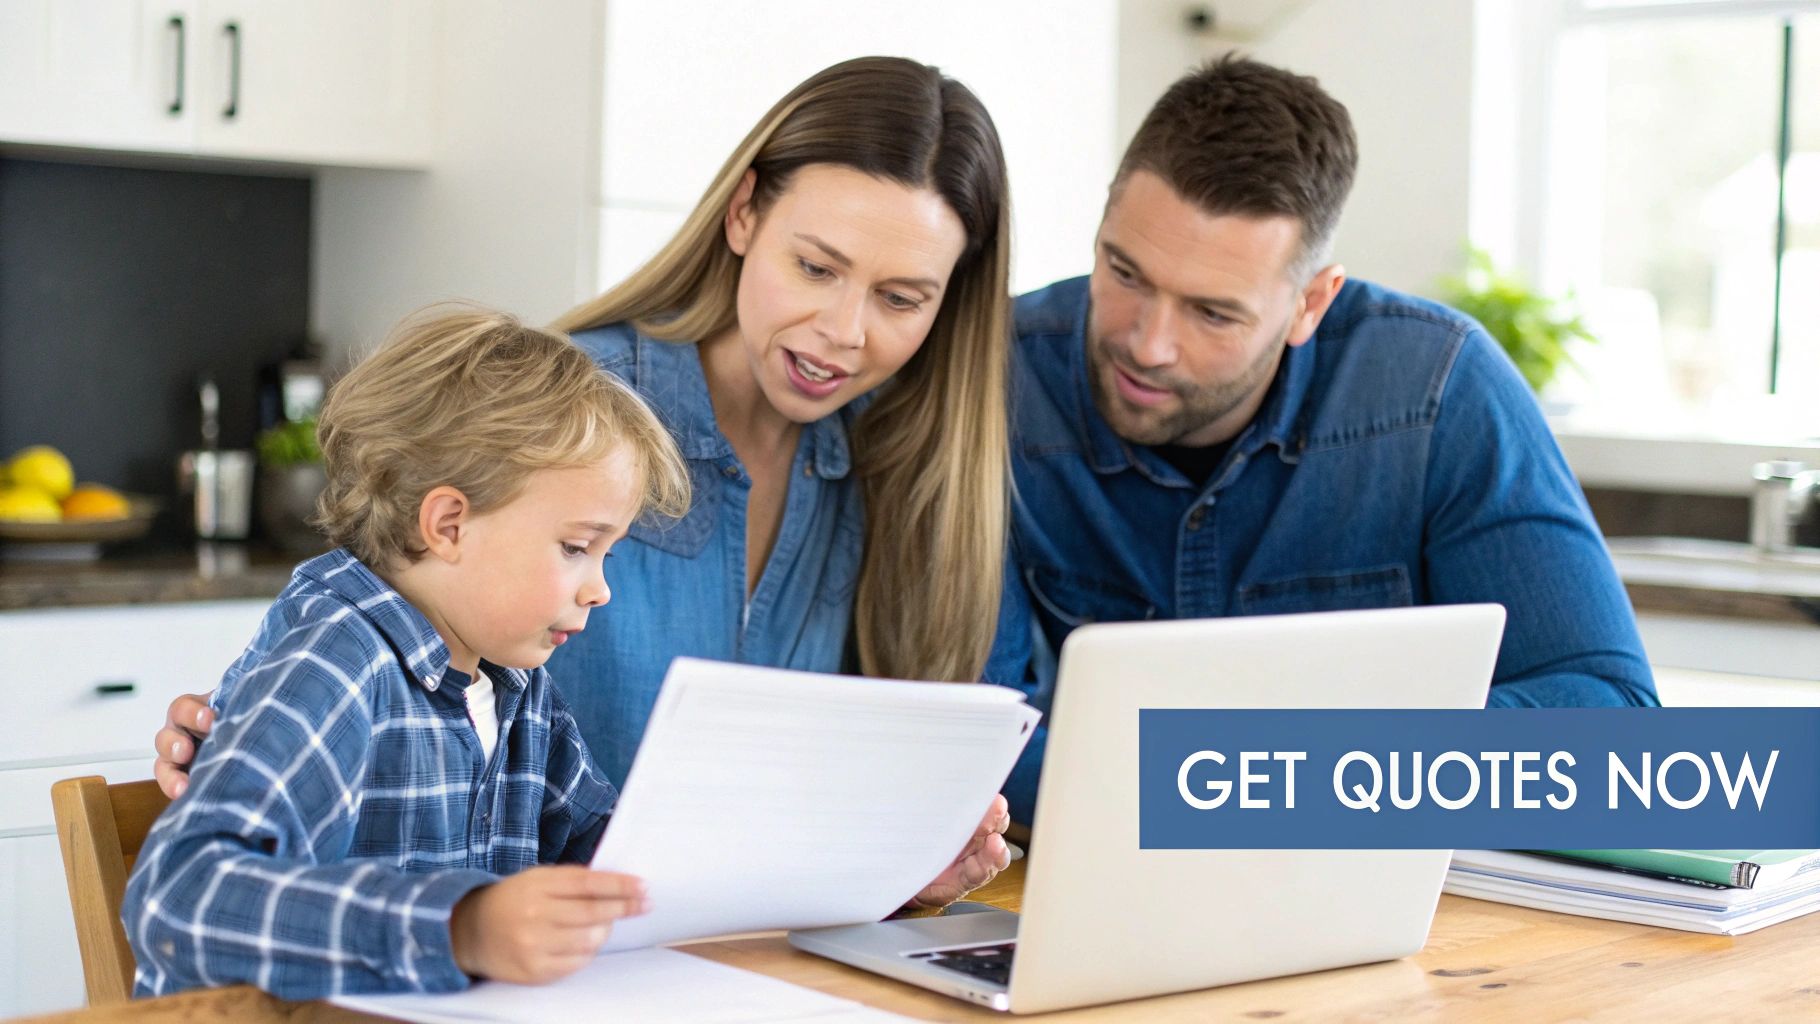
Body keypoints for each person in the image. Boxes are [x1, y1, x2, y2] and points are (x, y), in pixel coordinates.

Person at [149, 56, 1018, 907]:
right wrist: (248, 719)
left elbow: (713, 843)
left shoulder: (902, 464)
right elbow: (370, 615)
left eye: (901, 298)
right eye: (817, 268)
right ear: (746, 212)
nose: (843, 331)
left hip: (704, 966)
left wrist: (895, 869)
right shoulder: (568, 426)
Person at [997, 55, 1658, 822]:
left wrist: (1254, 775)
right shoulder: (1001, 379)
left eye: (1213, 313)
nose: (1149, 344)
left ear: (1311, 303)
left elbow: (1614, 733)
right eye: (1125, 273)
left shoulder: (1437, 389)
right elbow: (968, 735)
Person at [124, 309, 691, 998]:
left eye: (606, 552)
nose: (599, 590)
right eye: (576, 547)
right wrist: (462, 929)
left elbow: (605, 850)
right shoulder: (335, 662)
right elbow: (178, 898)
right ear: (448, 524)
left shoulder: (512, 683)